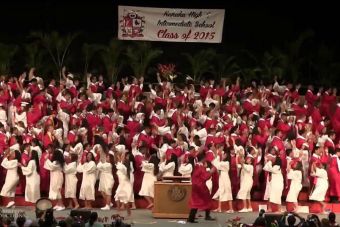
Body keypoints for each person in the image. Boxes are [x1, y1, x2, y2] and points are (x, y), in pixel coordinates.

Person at [187, 152, 216, 223]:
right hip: (200, 186)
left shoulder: (196, 165)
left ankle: (191, 218)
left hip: (195, 185)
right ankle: (206, 216)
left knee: (195, 201)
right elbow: (205, 177)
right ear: (203, 159)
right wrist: (211, 172)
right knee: (206, 199)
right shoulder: (200, 167)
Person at [115, 151, 133, 216]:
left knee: (125, 200)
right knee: (117, 196)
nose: (122, 158)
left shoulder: (123, 168)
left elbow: (119, 163)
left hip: (125, 185)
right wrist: (121, 155)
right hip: (122, 184)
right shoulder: (122, 167)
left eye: (123, 157)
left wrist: (119, 157)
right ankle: (119, 212)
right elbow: (119, 162)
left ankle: (128, 212)